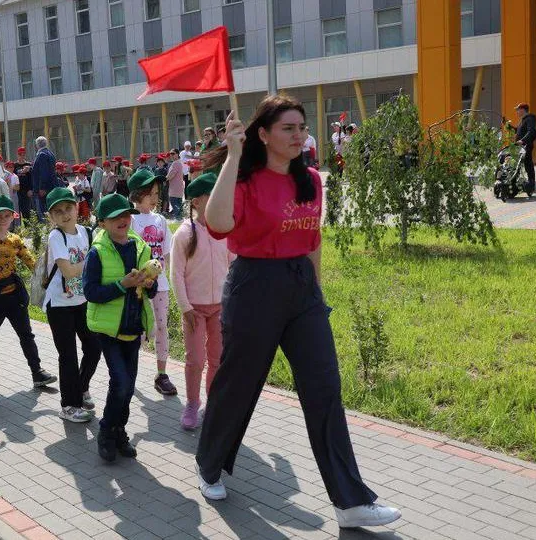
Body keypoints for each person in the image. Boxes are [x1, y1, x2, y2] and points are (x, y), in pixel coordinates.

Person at [194, 97, 401, 530]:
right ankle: (209, 464)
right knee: (239, 384)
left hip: (302, 291)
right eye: (288, 128)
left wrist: (316, 294)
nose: (299, 135)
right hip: (254, 286)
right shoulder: (245, 179)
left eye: (302, 127)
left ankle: (350, 502)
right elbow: (218, 223)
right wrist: (233, 156)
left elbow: (313, 239)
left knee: (325, 388)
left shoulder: (310, 180)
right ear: (264, 134)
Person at [83, 193, 158, 462]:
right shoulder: (97, 252)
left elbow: (151, 290)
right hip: (109, 329)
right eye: (115, 217)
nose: (122, 220)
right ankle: (105, 431)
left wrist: (149, 285)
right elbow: (91, 292)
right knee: (121, 382)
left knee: (129, 384)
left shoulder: (140, 247)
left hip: (133, 326)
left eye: (126, 214)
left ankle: (119, 431)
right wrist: (121, 285)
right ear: (102, 223)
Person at [0, 195, 58, 390]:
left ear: (13, 217)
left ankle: (37, 372)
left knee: (26, 335)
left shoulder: (15, 240)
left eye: (6, 215)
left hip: (14, 297)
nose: (2, 219)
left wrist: (48, 275)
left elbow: (32, 263)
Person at [169, 173, 232, 430]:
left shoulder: (225, 230)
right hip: (194, 309)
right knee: (195, 360)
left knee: (217, 359)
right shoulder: (184, 234)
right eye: (212, 195)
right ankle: (192, 404)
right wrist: (185, 307)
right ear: (196, 202)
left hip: (221, 308)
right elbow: (176, 274)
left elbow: (234, 265)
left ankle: (213, 404)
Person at [43, 187, 100, 423]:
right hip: (59, 305)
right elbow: (68, 271)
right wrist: (91, 261)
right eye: (58, 211)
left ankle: (81, 387)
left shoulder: (86, 233)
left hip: (83, 301)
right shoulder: (56, 236)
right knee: (68, 355)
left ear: (77, 208)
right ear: (51, 217)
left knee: (94, 347)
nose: (65, 214)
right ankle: (69, 405)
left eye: (68, 208)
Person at [127, 169, 177, 396]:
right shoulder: (130, 221)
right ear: (138, 195)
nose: (155, 197)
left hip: (161, 286)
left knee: (161, 327)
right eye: (151, 193)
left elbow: (166, 253)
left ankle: (162, 374)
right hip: (139, 286)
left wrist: (167, 276)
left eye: (157, 193)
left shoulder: (160, 220)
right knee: (138, 329)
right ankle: (129, 371)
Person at [30, 136, 60, 218]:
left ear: (37, 145)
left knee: (45, 212)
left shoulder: (41, 154)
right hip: (52, 186)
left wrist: (42, 188)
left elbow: (44, 173)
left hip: (45, 189)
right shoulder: (50, 153)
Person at [514, 103, 536, 195]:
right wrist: (507, 124)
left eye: (517, 109)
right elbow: (518, 131)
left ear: (522, 110)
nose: (517, 112)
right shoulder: (523, 120)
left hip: (526, 146)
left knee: (528, 165)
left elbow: (530, 131)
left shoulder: (530, 119)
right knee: (517, 165)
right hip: (520, 147)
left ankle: (531, 184)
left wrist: (523, 141)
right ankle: (515, 183)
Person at [166, 150, 185, 219]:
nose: (171, 155)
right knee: (179, 204)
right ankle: (180, 218)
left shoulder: (176, 163)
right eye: (170, 154)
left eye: (173, 153)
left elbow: (171, 175)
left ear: (177, 154)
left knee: (175, 203)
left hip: (175, 188)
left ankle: (178, 218)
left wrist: (164, 179)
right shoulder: (179, 162)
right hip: (178, 187)